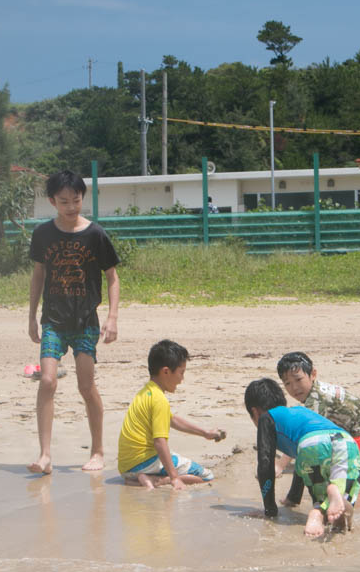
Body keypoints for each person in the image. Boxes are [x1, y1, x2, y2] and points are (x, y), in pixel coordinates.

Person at [27, 170, 120, 475]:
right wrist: (31, 316)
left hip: (85, 321)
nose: (71, 206)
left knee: (85, 385)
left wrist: (112, 317)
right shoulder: (42, 234)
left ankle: (97, 451)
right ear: (52, 201)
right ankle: (44, 455)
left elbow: (112, 277)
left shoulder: (95, 234)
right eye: (64, 201)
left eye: (76, 200)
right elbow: (38, 274)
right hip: (53, 319)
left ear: (83, 198)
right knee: (47, 381)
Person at [245, 378, 360, 537]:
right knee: (342, 502)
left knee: (322, 507)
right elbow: (300, 463)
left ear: (255, 412)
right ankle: (337, 496)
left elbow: (265, 463)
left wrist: (270, 510)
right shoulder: (301, 412)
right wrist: (292, 500)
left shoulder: (267, 418)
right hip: (346, 442)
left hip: (313, 444)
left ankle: (317, 512)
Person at [118, 339, 224, 489]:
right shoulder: (159, 400)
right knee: (206, 476)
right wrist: (174, 478)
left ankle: (136, 480)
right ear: (166, 371)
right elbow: (159, 442)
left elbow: (171, 420)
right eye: (181, 372)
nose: (182, 379)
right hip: (144, 462)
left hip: (126, 467)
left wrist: (205, 433)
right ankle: (158, 480)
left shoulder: (146, 392)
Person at [277, 351, 360, 475]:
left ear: (313, 374)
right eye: (288, 383)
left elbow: (302, 435)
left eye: (298, 380)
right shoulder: (318, 388)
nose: (294, 387)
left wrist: (280, 466)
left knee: (312, 447)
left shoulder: (316, 401)